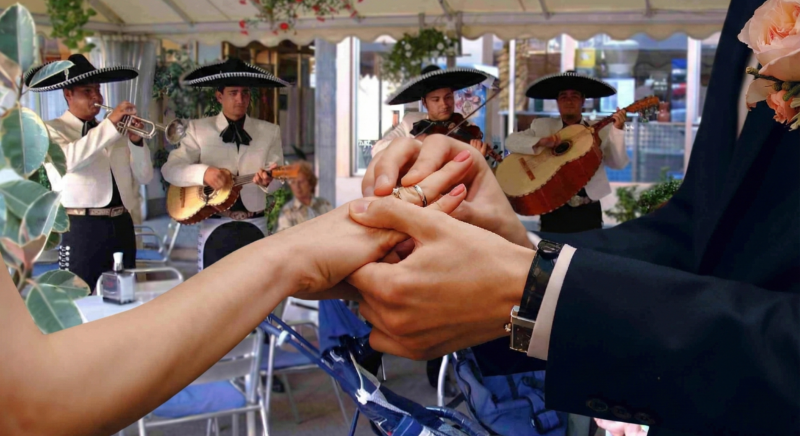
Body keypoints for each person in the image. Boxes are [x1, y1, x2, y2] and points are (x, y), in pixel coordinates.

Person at [351, 0, 799, 433]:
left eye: (574, 95)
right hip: (554, 222)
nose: (569, 100)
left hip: (589, 218)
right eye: (437, 99)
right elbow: (697, 225)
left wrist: (538, 287)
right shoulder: (747, 8)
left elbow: (624, 173)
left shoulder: (593, 128)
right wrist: (519, 253)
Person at [0, 142, 478, 436]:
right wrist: (284, 250)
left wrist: (286, 246)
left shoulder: (266, 138)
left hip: (246, 234)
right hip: (203, 234)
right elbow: (31, 404)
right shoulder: (199, 132)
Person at [24, 54, 153, 290]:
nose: (96, 97)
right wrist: (110, 125)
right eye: (87, 91)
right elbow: (68, 161)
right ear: (68, 94)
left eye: (98, 89)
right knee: (78, 298)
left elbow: (145, 176)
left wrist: (136, 141)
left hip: (122, 223)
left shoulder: (112, 130)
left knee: (125, 296)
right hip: (80, 227)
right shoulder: (50, 130)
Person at [161, 58, 286, 271]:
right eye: (233, 92)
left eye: (245, 93)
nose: (240, 98)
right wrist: (203, 173)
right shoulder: (197, 129)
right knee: (214, 296)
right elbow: (170, 170)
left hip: (255, 224)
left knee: (257, 292)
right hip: (214, 226)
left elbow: (279, 177)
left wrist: (268, 182)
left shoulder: (269, 131)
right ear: (219, 96)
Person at [505, 71, 628, 233]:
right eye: (563, 96)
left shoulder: (600, 130)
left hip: (588, 210)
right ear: (557, 102)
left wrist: (618, 130)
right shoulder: (542, 126)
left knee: (586, 256)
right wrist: (541, 142)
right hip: (553, 209)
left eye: (574, 96)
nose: (569, 101)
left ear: (583, 101)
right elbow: (510, 142)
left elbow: (618, 164)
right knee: (552, 255)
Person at [372, 65, 495, 158]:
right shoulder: (410, 123)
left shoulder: (467, 128)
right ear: (424, 102)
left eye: (448, 97)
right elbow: (377, 150)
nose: (444, 104)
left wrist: (478, 158)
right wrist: (413, 143)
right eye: (436, 100)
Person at [276, 160, 333, 232]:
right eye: (293, 182)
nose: (297, 186)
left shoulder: (324, 204)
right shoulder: (287, 211)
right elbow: (284, 238)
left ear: (310, 183)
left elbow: (335, 228)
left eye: (301, 181)